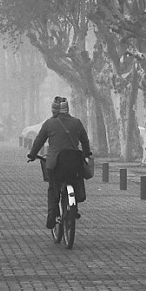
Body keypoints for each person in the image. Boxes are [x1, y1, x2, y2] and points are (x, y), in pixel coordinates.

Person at [27, 96, 92, 228]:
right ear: (67, 109)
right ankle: (75, 208)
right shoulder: (77, 122)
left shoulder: (49, 124)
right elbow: (85, 141)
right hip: (75, 163)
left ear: (53, 110)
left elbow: (39, 141)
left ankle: (52, 215)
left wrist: (32, 155)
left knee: (53, 188)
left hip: (55, 165)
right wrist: (86, 154)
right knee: (75, 181)